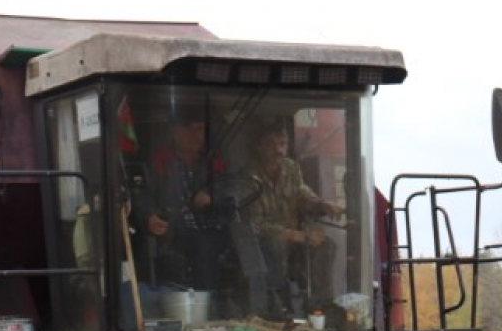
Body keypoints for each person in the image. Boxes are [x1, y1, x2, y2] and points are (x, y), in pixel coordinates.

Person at [245, 121, 345, 318]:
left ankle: (319, 306)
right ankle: (275, 310)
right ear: (259, 147)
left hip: (294, 239)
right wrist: (299, 236)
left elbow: (302, 194)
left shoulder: (291, 168)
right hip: (262, 245)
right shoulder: (248, 176)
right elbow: (255, 226)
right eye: (271, 144)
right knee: (275, 246)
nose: (278, 150)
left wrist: (322, 205)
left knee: (326, 245)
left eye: (282, 144)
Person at [131, 109, 231, 295]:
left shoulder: (215, 159)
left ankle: (261, 308)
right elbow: (143, 193)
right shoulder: (159, 159)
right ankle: (206, 308)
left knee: (249, 240)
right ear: (174, 131)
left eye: (201, 129)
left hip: (216, 226)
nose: (197, 136)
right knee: (204, 245)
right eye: (190, 129)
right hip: (176, 230)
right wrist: (149, 216)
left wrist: (213, 198)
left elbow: (234, 188)